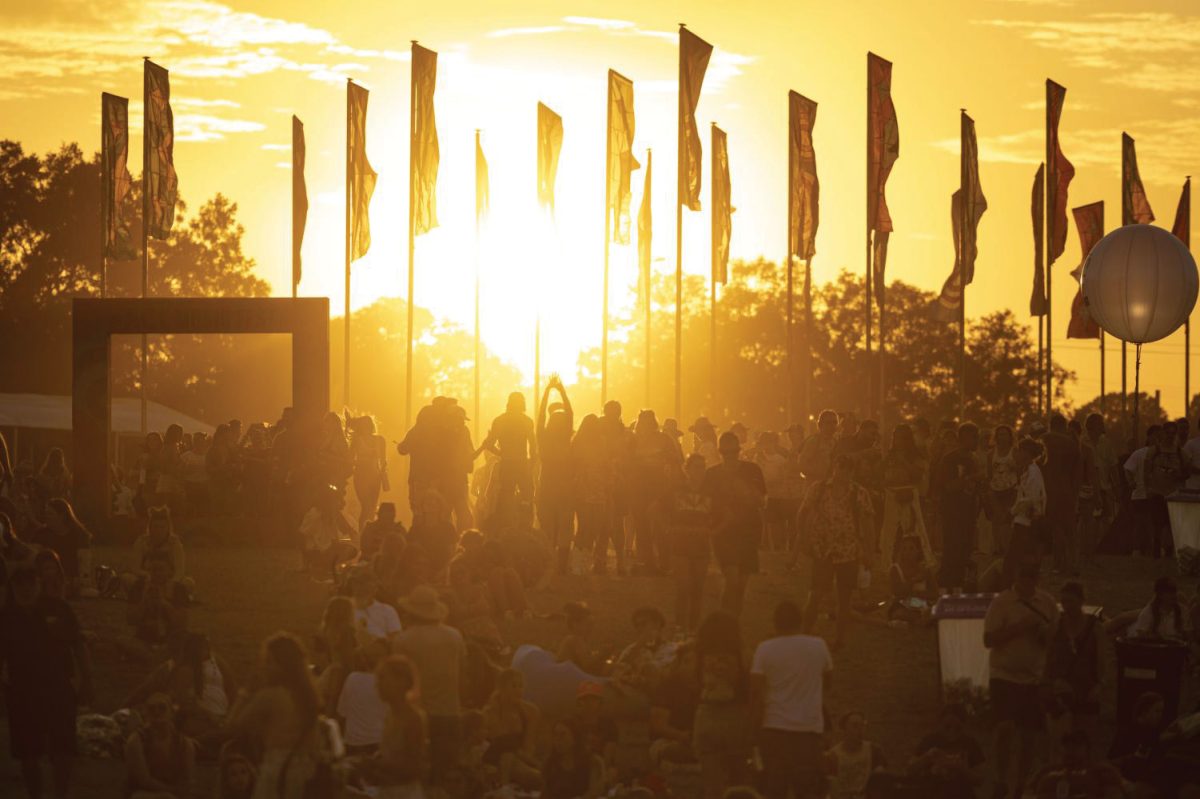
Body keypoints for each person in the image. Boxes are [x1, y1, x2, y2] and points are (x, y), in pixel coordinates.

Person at [0, 565, 93, 799]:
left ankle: (61, 795)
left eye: (30, 583)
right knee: (28, 754)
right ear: (13, 587)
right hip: (22, 692)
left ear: (39, 583)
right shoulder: (6, 618)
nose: (26, 589)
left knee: (63, 750)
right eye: (20, 584)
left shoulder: (59, 609)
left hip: (58, 687)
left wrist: (87, 680)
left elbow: (78, 645)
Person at [983, 559, 1059, 799]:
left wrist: (1043, 636)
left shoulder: (1046, 603)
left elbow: (1055, 640)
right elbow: (989, 640)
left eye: (1031, 578)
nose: (1027, 583)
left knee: (1028, 736)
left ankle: (1020, 784)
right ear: (1017, 579)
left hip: (1033, 677)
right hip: (1004, 674)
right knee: (1003, 730)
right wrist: (1019, 627)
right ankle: (1000, 779)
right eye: (1023, 578)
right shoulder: (1001, 603)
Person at [749, 600, 832, 799]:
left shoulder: (765, 648)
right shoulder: (818, 646)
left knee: (774, 790)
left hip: (774, 729)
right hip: (808, 731)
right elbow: (828, 683)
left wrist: (753, 730)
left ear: (775, 623)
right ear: (800, 621)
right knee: (807, 791)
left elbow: (755, 692)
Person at [226, 633, 325, 799]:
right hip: (306, 772)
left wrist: (245, 692)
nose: (265, 666)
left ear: (281, 665)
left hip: (277, 771)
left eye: (269, 661)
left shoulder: (271, 696)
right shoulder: (309, 698)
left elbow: (232, 727)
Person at [797, 454, 874, 650]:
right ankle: (804, 633)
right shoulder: (819, 489)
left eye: (847, 469)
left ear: (852, 471)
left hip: (848, 550)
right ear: (834, 468)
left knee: (844, 597)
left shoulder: (859, 493)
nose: (843, 473)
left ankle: (839, 640)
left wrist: (868, 551)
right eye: (841, 468)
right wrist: (804, 539)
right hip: (823, 549)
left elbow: (868, 523)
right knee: (815, 594)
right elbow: (802, 514)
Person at [395, 585, 466, 784]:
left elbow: (399, 680)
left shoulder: (404, 640)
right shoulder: (454, 636)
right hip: (450, 711)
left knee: (416, 776)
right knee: (444, 777)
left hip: (417, 715)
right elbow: (463, 672)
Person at [703, 432, 766, 618]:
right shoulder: (712, 474)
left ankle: (733, 622)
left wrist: (745, 490)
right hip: (724, 532)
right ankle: (723, 621)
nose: (730, 456)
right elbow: (706, 504)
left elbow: (761, 501)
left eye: (733, 452)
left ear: (739, 451)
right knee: (732, 580)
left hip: (748, 531)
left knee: (741, 585)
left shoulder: (752, 470)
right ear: (721, 453)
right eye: (726, 453)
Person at [693, 611, 750, 798]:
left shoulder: (699, 655)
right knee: (739, 779)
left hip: (707, 715)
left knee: (711, 782)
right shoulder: (740, 656)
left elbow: (694, 682)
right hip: (735, 716)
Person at [1044, 582, 1101, 762]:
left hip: (1087, 690)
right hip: (1061, 691)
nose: (1067, 606)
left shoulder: (1094, 627)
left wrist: (1099, 686)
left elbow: (1102, 661)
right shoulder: (1055, 627)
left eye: (1071, 601)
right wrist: (1052, 683)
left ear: (1081, 601)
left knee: (1086, 743)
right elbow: (1046, 660)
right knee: (1059, 744)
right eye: (1064, 602)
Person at [362, 655, 429, 798]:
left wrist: (378, 765)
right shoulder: (390, 715)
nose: (378, 685)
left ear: (402, 682)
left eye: (383, 678)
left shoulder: (413, 719)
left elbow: (414, 766)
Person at [628, 409, 683, 574]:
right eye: (641, 421)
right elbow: (626, 462)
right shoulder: (633, 440)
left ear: (652, 423)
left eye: (647, 421)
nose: (643, 425)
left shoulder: (663, 439)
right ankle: (648, 562)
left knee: (660, 526)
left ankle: (665, 562)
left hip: (659, 486)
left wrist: (671, 483)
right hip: (638, 487)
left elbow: (677, 461)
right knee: (641, 526)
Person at [932, 423, 982, 590]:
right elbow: (948, 486)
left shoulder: (974, 459)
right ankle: (944, 585)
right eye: (973, 437)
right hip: (952, 512)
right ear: (962, 439)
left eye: (977, 436)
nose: (976, 441)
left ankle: (958, 585)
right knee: (952, 550)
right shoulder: (950, 459)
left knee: (965, 550)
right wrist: (971, 478)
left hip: (968, 512)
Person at [475, 392, 537, 526]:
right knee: (527, 497)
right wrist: (531, 465)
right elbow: (533, 447)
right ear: (523, 403)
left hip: (507, 464)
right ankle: (526, 526)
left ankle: (506, 526)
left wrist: (502, 453)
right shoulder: (526, 421)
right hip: (522, 463)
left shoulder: (500, 420)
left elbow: (489, 444)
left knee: (506, 497)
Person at [670, 454, 714, 631]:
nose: (700, 471)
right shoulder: (676, 489)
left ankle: (694, 629)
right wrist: (667, 528)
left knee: (697, 589)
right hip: (680, 544)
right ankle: (680, 628)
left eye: (702, 467)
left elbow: (725, 514)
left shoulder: (710, 491)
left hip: (701, 545)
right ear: (687, 469)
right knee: (683, 588)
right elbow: (656, 509)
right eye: (696, 467)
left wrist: (713, 531)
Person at [125, 692, 196, 799]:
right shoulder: (136, 741)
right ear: (146, 713)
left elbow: (187, 780)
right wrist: (170, 792)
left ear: (172, 713)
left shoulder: (185, 744)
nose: (156, 712)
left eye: (162, 708)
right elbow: (144, 781)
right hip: (143, 794)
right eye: (151, 708)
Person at [538, 376, 576, 574]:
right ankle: (560, 565)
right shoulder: (564, 439)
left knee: (549, 527)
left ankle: (551, 563)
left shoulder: (543, 438)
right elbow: (570, 413)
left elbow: (541, 416)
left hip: (548, 487)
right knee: (564, 526)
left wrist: (547, 391)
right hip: (563, 487)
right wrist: (560, 391)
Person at [909, 704, 985, 799]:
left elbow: (980, 779)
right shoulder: (929, 741)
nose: (952, 732)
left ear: (964, 725)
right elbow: (910, 769)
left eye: (958, 728)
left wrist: (962, 769)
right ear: (939, 724)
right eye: (947, 727)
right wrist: (927, 757)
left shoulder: (970, 743)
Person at [482, 668, 542, 788]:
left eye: (521, 686)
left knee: (534, 775)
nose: (518, 690)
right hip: (495, 760)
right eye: (513, 686)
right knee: (507, 757)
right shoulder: (490, 712)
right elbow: (501, 744)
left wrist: (534, 763)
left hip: (521, 760)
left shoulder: (530, 711)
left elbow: (528, 746)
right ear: (501, 688)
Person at [879, 424, 929, 568]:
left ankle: (921, 561)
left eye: (900, 437)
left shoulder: (916, 454)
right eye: (895, 437)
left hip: (909, 494)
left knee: (914, 530)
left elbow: (918, 475)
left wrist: (904, 462)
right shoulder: (890, 455)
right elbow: (880, 472)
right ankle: (887, 564)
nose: (897, 440)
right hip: (892, 493)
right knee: (889, 532)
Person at [1041, 413, 1082, 575]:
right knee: (1069, 529)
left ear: (1050, 424)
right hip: (1067, 490)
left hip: (1047, 489)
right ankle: (1072, 562)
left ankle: (1059, 564)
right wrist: (1074, 492)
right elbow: (1077, 473)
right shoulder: (1072, 444)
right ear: (1064, 426)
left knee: (1056, 528)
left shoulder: (1044, 439)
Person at [1031, 730, 1124, 799]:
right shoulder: (1046, 771)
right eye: (1067, 746)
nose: (1070, 750)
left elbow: (1115, 794)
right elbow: (1028, 792)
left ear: (1087, 749)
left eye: (1076, 745)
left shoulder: (1100, 771)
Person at [1003, 438, 1046, 586]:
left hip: (1028, 522)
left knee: (1013, 560)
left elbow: (1030, 500)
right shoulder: (1028, 471)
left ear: (1026, 453)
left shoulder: (1033, 473)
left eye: (1019, 451)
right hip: (1023, 520)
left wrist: (1012, 511)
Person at [31, 498, 91, 599]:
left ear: (62, 516)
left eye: (50, 513)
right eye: (45, 513)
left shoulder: (79, 534)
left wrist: (83, 580)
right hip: (47, 577)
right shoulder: (41, 534)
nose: (46, 516)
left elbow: (84, 560)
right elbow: (33, 556)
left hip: (71, 578)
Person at [337, 641, 389, 756]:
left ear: (364, 659)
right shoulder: (388, 683)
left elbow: (342, 713)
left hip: (353, 743)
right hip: (379, 743)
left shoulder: (352, 679)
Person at [298, 485, 357, 581]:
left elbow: (347, 530)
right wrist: (305, 562)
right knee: (348, 549)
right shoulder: (314, 514)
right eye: (336, 501)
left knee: (352, 549)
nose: (339, 504)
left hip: (328, 549)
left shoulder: (334, 514)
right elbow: (303, 536)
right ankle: (325, 565)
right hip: (316, 552)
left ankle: (327, 565)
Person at [824, 711, 887, 799]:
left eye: (862, 725)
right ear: (844, 729)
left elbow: (880, 780)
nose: (860, 729)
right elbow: (831, 787)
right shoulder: (833, 756)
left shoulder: (874, 751)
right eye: (855, 725)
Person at [541, 720, 605, 799]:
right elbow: (545, 793)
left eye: (563, 735)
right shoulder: (550, 763)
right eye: (555, 735)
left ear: (575, 737)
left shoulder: (592, 761)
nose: (557, 739)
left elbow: (594, 793)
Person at [349, 415, 388, 533]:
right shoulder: (356, 440)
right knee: (366, 506)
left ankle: (368, 534)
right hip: (361, 475)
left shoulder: (380, 440)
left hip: (374, 476)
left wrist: (383, 475)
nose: (366, 427)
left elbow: (383, 460)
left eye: (368, 424)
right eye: (363, 424)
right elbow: (350, 459)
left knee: (371, 508)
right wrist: (362, 461)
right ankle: (363, 535)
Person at [985, 424, 1019, 558]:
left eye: (1005, 434)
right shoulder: (991, 454)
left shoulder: (1015, 452)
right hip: (995, 490)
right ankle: (998, 547)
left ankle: (1008, 548)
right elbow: (989, 474)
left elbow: (1020, 471)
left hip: (1011, 489)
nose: (1002, 437)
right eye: (1000, 434)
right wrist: (988, 491)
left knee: (1008, 519)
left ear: (1010, 437)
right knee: (996, 520)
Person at [350, 568, 402, 644]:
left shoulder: (387, 610)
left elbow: (396, 638)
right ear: (353, 587)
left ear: (375, 589)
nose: (361, 589)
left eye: (366, 588)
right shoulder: (344, 609)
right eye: (358, 584)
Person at [556, 601, 605, 675]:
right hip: (566, 675)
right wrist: (602, 653)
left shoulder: (581, 640)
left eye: (592, 625)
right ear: (575, 624)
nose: (591, 628)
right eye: (588, 624)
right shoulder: (574, 640)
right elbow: (587, 664)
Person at [796, 410, 839, 486]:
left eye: (835, 422)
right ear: (820, 425)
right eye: (828, 423)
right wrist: (820, 473)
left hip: (831, 487)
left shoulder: (836, 442)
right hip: (814, 487)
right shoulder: (814, 442)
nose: (832, 425)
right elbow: (802, 465)